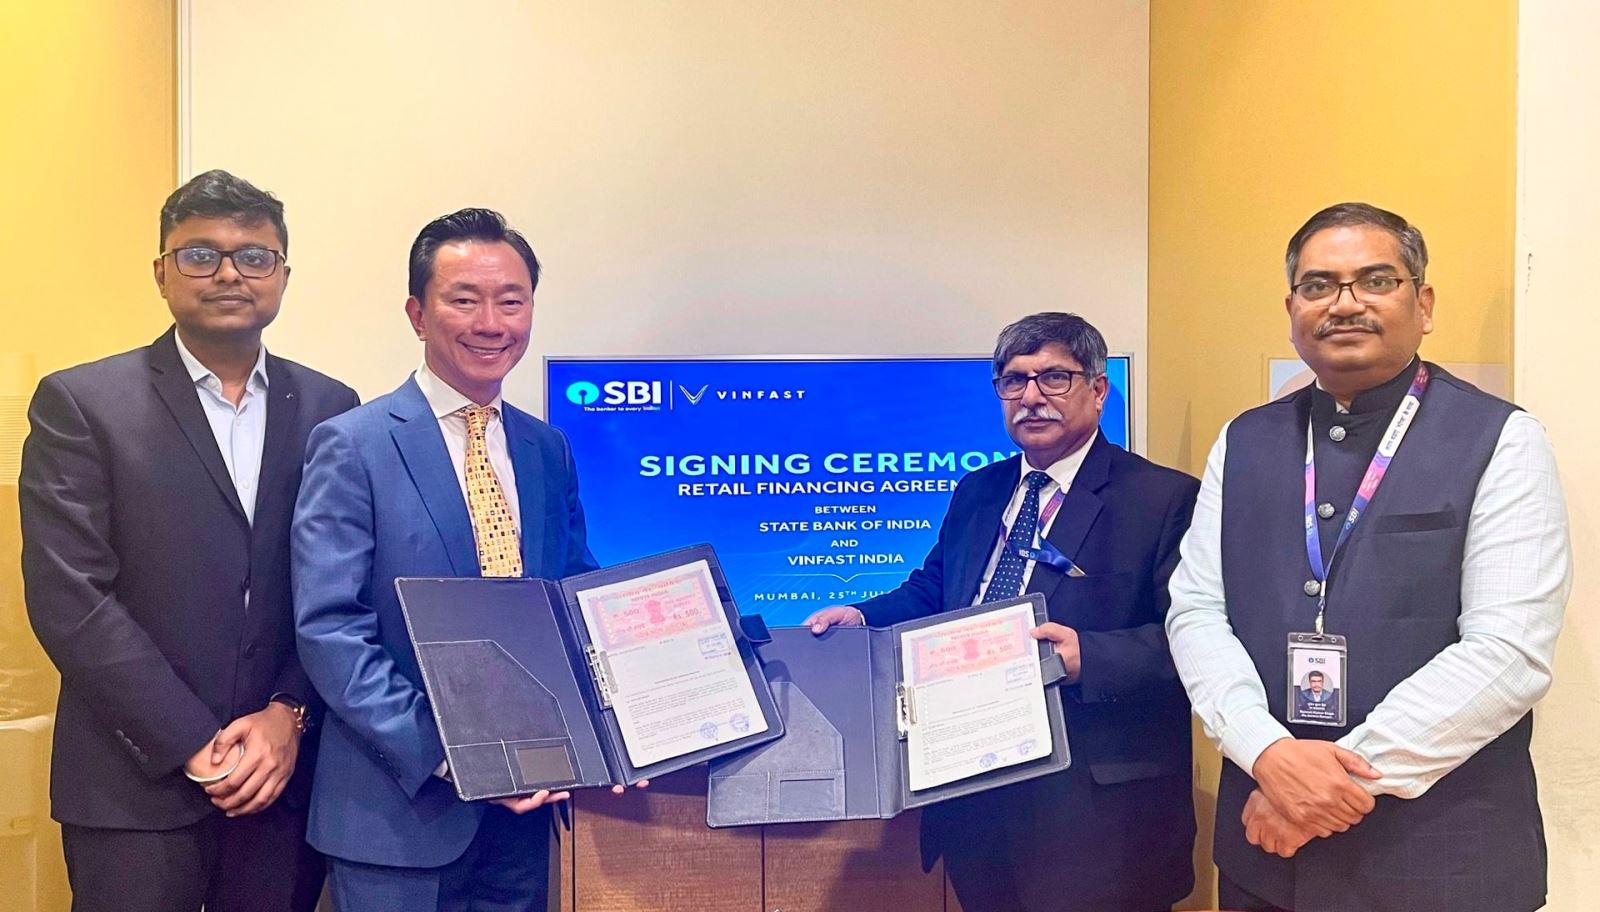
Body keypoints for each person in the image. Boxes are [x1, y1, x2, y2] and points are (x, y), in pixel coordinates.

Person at [1166, 202, 1571, 912]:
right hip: (1265, 858)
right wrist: (1265, 751)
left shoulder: (1502, 438)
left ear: (1424, 304)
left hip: (1439, 858)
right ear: (1292, 309)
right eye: (1319, 285)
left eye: (1376, 280)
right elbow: (1197, 609)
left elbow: (1508, 651)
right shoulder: (1245, 440)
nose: (1344, 303)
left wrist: (1335, 783)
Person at [19, 169, 357, 911]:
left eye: (254, 256)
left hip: (280, 780)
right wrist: (192, 742)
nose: (230, 273)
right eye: (201, 254)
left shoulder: (331, 407)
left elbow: (336, 587)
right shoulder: (83, 403)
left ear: (283, 275)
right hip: (131, 784)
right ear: (161, 273)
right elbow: (71, 599)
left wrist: (289, 712)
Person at [292, 208, 634, 912]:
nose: (491, 323)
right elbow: (331, 630)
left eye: (511, 301)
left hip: (529, 813)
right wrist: (458, 760)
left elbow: (573, 596)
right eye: (464, 300)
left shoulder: (546, 448)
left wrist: (630, 717)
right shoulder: (353, 445)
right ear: (418, 315)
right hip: (400, 816)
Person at [807, 312, 1199, 912]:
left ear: (1098, 390)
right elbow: (934, 591)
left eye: (1054, 378)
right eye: (1014, 381)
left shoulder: (1164, 498)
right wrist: (861, 617)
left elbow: (1199, 642)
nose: (1032, 397)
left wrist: (1088, 656)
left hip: (1096, 815)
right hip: (975, 793)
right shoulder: (979, 490)